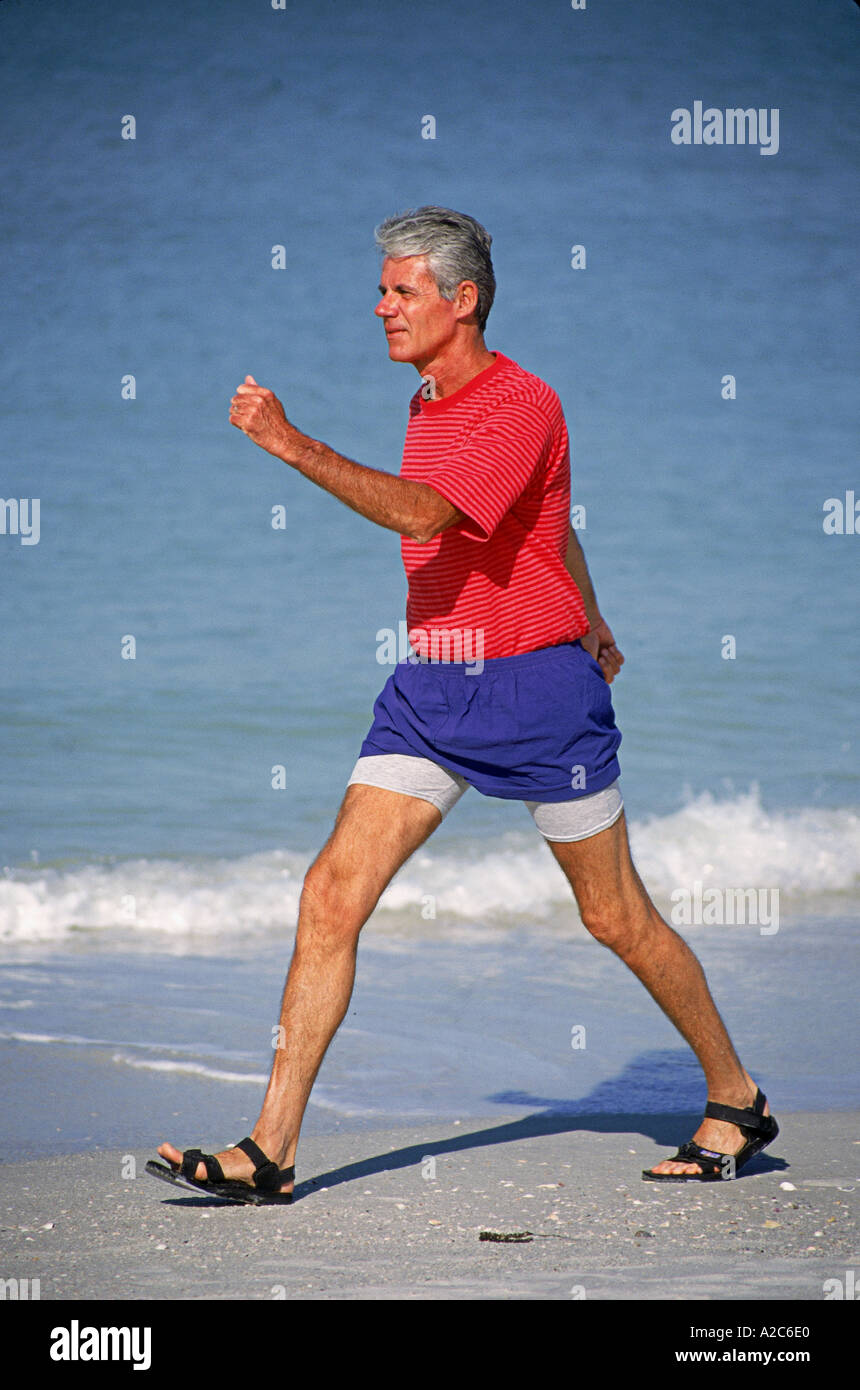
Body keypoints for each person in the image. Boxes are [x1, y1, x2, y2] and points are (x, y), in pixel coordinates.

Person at [149, 206, 777, 1203]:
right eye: (384, 289)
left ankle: (734, 1095)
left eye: (401, 291)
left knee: (612, 916)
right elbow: (547, 522)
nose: (381, 306)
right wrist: (598, 611)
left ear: (461, 299)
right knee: (328, 896)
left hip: (536, 693)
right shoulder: (428, 399)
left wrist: (289, 442)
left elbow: (425, 511)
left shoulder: (520, 402)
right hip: (429, 688)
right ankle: (270, 1148)